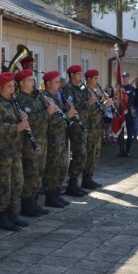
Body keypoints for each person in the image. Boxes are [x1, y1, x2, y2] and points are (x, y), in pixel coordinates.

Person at [0, 72, 29, 231]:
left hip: (15, 150)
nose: (13, 90)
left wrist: (23, 119)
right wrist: (17, 127)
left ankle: (12, 213)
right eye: (9, 87)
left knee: (17, 183)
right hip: (2, 152)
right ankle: (2, 217)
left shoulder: (12, 101)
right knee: (3, 186)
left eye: (13, 86)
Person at [15, 69, 54, 217]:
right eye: (30, 80)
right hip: (29, 145)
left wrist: (47, 107)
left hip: (41, 142)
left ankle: (34, 202)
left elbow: (45, 119)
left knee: (38, 174)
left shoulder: (35, 98)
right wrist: (46, 112)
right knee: (30, 175)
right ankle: (27, 204)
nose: (33, 82)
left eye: (33, 80)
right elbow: (29, 121)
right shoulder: (20, 100)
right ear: (22, 83)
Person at [41, 71, 74, 208]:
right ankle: (50, 196)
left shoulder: (55, 98)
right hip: (52, 139)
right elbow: (51, 119)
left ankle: (55, 193)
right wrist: (68, 114)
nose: (59, 84)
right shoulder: (45, 98)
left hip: (60, 138)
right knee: (52, 168)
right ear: (48, 84)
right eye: (56, 82)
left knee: (60, 167)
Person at [62, 65, 95, 196]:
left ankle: (75, 182)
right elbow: (72, 107)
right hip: (75, 126)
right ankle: (72, 183)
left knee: (82, 155)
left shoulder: (81, 88)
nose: (81, 76)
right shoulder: (68, 89)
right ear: (71, 75)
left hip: (83, 125)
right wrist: (88, 103)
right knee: (78, 154)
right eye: (78, 74)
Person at [83, 69, 111, 188]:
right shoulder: (85, 92)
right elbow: (89, 111)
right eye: (94, 78)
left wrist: (103, 101)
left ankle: (89, 176)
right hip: (90, 128)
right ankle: (86, 179)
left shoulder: (93, 92)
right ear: (88, 79)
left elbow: (97, 110)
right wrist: (104, 105)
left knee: (95, 154)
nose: (97, 81)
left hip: (96, 128)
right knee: (90, 154)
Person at [119, 72, 136, 157]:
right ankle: (121, 150)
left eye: (126, 77)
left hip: (128, 112)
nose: (124, 78)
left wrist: (125, 107)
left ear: (128, 78)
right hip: (121, 112)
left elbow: (132, 100)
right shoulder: (120, 88)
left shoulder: (131, 88)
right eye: (123, 77)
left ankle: (127, 150)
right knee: (120, 132)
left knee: (130, 132)